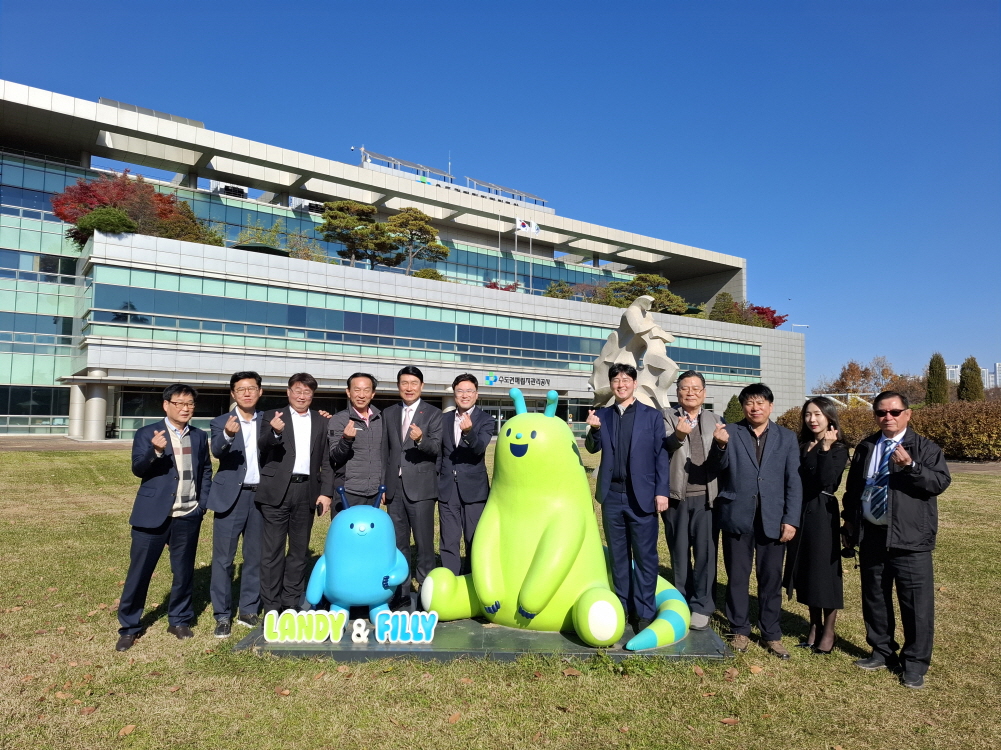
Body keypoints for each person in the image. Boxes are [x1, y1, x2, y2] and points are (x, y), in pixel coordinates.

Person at [842, 391, 950, 689]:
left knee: (915, 603)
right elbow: (854, 488)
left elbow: (939, 482)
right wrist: (850, 520)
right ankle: (882, 650)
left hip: (909, 537)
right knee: (875, 595)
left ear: (908, 413)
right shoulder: (867, 446)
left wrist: (911, 467)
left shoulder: (924, 447)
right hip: (872, 534)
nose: (887, 417)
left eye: (894, 412)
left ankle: (914, 663)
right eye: (881, 412)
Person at [116, 384, 212, 651]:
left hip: (187, 514)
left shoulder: (199, 436)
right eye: (180, 403)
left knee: (183, 572)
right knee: (139, 573)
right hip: (152, 516)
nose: (185, 408)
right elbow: (138, 468)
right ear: (166, 405)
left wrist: (201, 505)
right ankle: (129, 627)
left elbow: (205, 470)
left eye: (190, 403)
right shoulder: (148, 433)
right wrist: (155, 451)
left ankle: (179, 619)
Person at [713, 383, 801, 659]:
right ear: (743, 406)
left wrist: (791, 519)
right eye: (750, 402)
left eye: (761, 402)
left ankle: (771, 633)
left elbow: (793, 482)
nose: (755, 407)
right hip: (737, 515)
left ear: (770, 406)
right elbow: (718, 469)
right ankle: (740, 628)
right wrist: (719, 446)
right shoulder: (730, 433)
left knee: (771, 578)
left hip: (773, 519)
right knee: (737, 577)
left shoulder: (786, 438)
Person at [585, 364, 670, 635]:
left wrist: (661, 491)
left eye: (625, 380)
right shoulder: (603, 415)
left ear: (634, 383)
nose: (620, 384)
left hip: (642, 497)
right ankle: (621, 606)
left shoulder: (652, 416)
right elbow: (591, 447)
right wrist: (594, 429)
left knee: (645, 557)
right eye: (616, 380)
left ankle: (644, 611)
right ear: (611, 385)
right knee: (619, 557)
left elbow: (661, 456)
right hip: (612, 496)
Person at [256, 373, 334, 614]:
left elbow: (326, 460)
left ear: (313, 395)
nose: (302, 396)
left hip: (306, 490)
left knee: (299, 550)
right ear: (288, 392)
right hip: (278, 490)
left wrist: (326, 492)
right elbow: (263, 445)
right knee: (273, 551)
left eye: (307, 392)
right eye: (297, 391)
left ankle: (291, 601)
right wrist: (275, 432)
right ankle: (271, 604)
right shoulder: (272, 415)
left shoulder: (321, 421)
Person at [782, 396, 849, 653]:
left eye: (818, 414)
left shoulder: (839, 447)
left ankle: (828, 631)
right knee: (807, 570)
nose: (812, 419)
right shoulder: (801, 444)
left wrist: (824, 449)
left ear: (830, 417)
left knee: (825, 573)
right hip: (800, 513)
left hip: (822, 513)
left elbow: (827, 481)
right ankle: (813, 626)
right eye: (808, 414)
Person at [662, 370, 722, 631]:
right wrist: (677, 435)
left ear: (704, 393)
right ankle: (680, 601)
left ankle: (702, 605)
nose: (691, 393)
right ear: (677, 393)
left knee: (706, 553)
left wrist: (721, 445)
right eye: (685, 388)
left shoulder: (715, 419)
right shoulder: (666, 416)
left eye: (696, 388)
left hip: (707, 498)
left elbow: (723, 459)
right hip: (677, 496)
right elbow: (661, 448)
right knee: (679, 552)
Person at [207, 371, 267, 638]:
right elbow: (217, 451)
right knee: (223, 559)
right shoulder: (221, 421)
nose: (246, 393)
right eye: (240, 389)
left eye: (251, 388)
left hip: (261, 497)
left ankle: (249, 609)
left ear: (259, 392)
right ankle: (222, 615)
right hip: (231, 497)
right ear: (233, 393)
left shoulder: (270, 421)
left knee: (254, 557)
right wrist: (228, 436)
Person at [382, 366, 443, 608]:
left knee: (424, 543)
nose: (409, 387)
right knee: (398, 543)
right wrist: (383, 485)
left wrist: (420, 439)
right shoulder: (388, 413)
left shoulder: (434, 414)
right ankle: (402, 590)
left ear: (422, 386)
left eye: (413, 383)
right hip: (394, 488)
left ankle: (426, 590)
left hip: (421, 489)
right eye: (404, 383)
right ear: (398, 386)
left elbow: (436, 448)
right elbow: (384, 451)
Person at [438, 373, 494, 575]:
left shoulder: (486, 420)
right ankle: (451, 580)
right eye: (460, 391)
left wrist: (469, 432)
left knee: (474, 539)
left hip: (474, 490)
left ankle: (472, 579)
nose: (464, 395)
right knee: (448, 539)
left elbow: (479, 449)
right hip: (447, 488)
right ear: (454, 394)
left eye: (469, 391)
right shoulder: (443, 419)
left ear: (476, 394)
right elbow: (440, 453)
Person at [328, 373, 385, 511]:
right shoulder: (339, 420)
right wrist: (346, 440)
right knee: (346, 533)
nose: (361, 395)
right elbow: (335, 456)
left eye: (366, 390)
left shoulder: (382, 419)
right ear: (348, 392)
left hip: (375, 492)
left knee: (372, 533)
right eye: (357, 390)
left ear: (372, 394)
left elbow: (386, 455)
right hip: (348, 491)